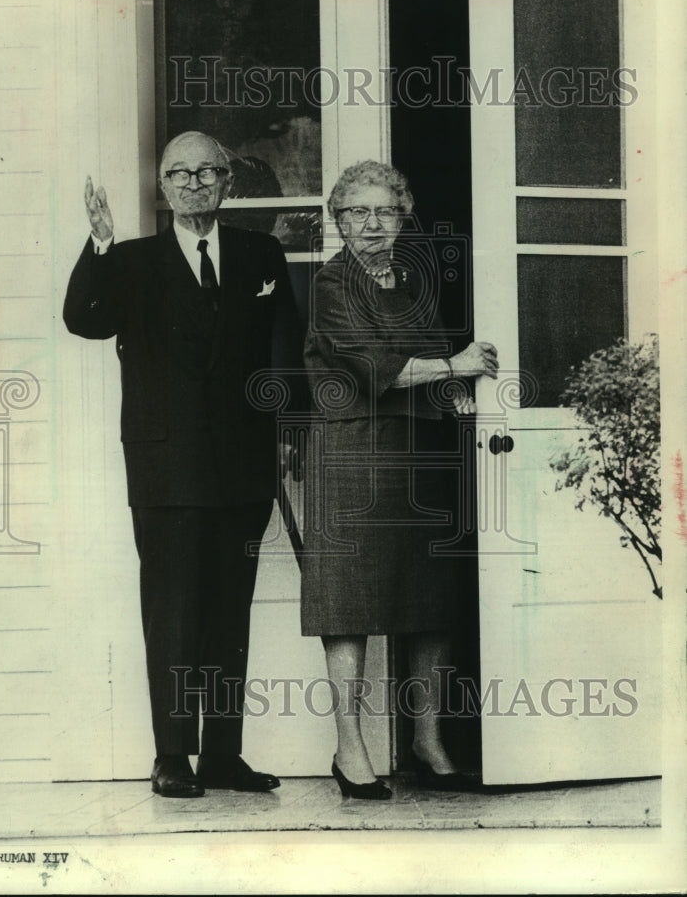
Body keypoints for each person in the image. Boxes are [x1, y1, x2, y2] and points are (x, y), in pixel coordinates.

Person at [63, 131, 305, 798]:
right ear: (162, 186)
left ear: (228, 182)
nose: (194, 182)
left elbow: (285, 347)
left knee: (230, 612)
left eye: (207, 171)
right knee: (171, 610)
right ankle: (171, 755)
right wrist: (101, 245)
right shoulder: (133, 262)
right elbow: (83, 319)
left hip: (244, 464)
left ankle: (223, 757)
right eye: (179, 172)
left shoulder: (262, 254)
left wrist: (288, 431)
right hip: (165, 466)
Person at [301, 160, 499, 799]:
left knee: (429, 601)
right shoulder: (331, 284)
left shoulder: (412, 278)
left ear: (402, 216)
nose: (371, 224)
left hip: (419, 451)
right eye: (356, 212)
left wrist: (457, 394)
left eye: (384, 210)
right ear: (338, 221)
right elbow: (369, 365)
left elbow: (432, 353)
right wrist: (456, 364)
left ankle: (426, 740)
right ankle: (350, 750)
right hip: (355, 453)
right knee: (349, 605)